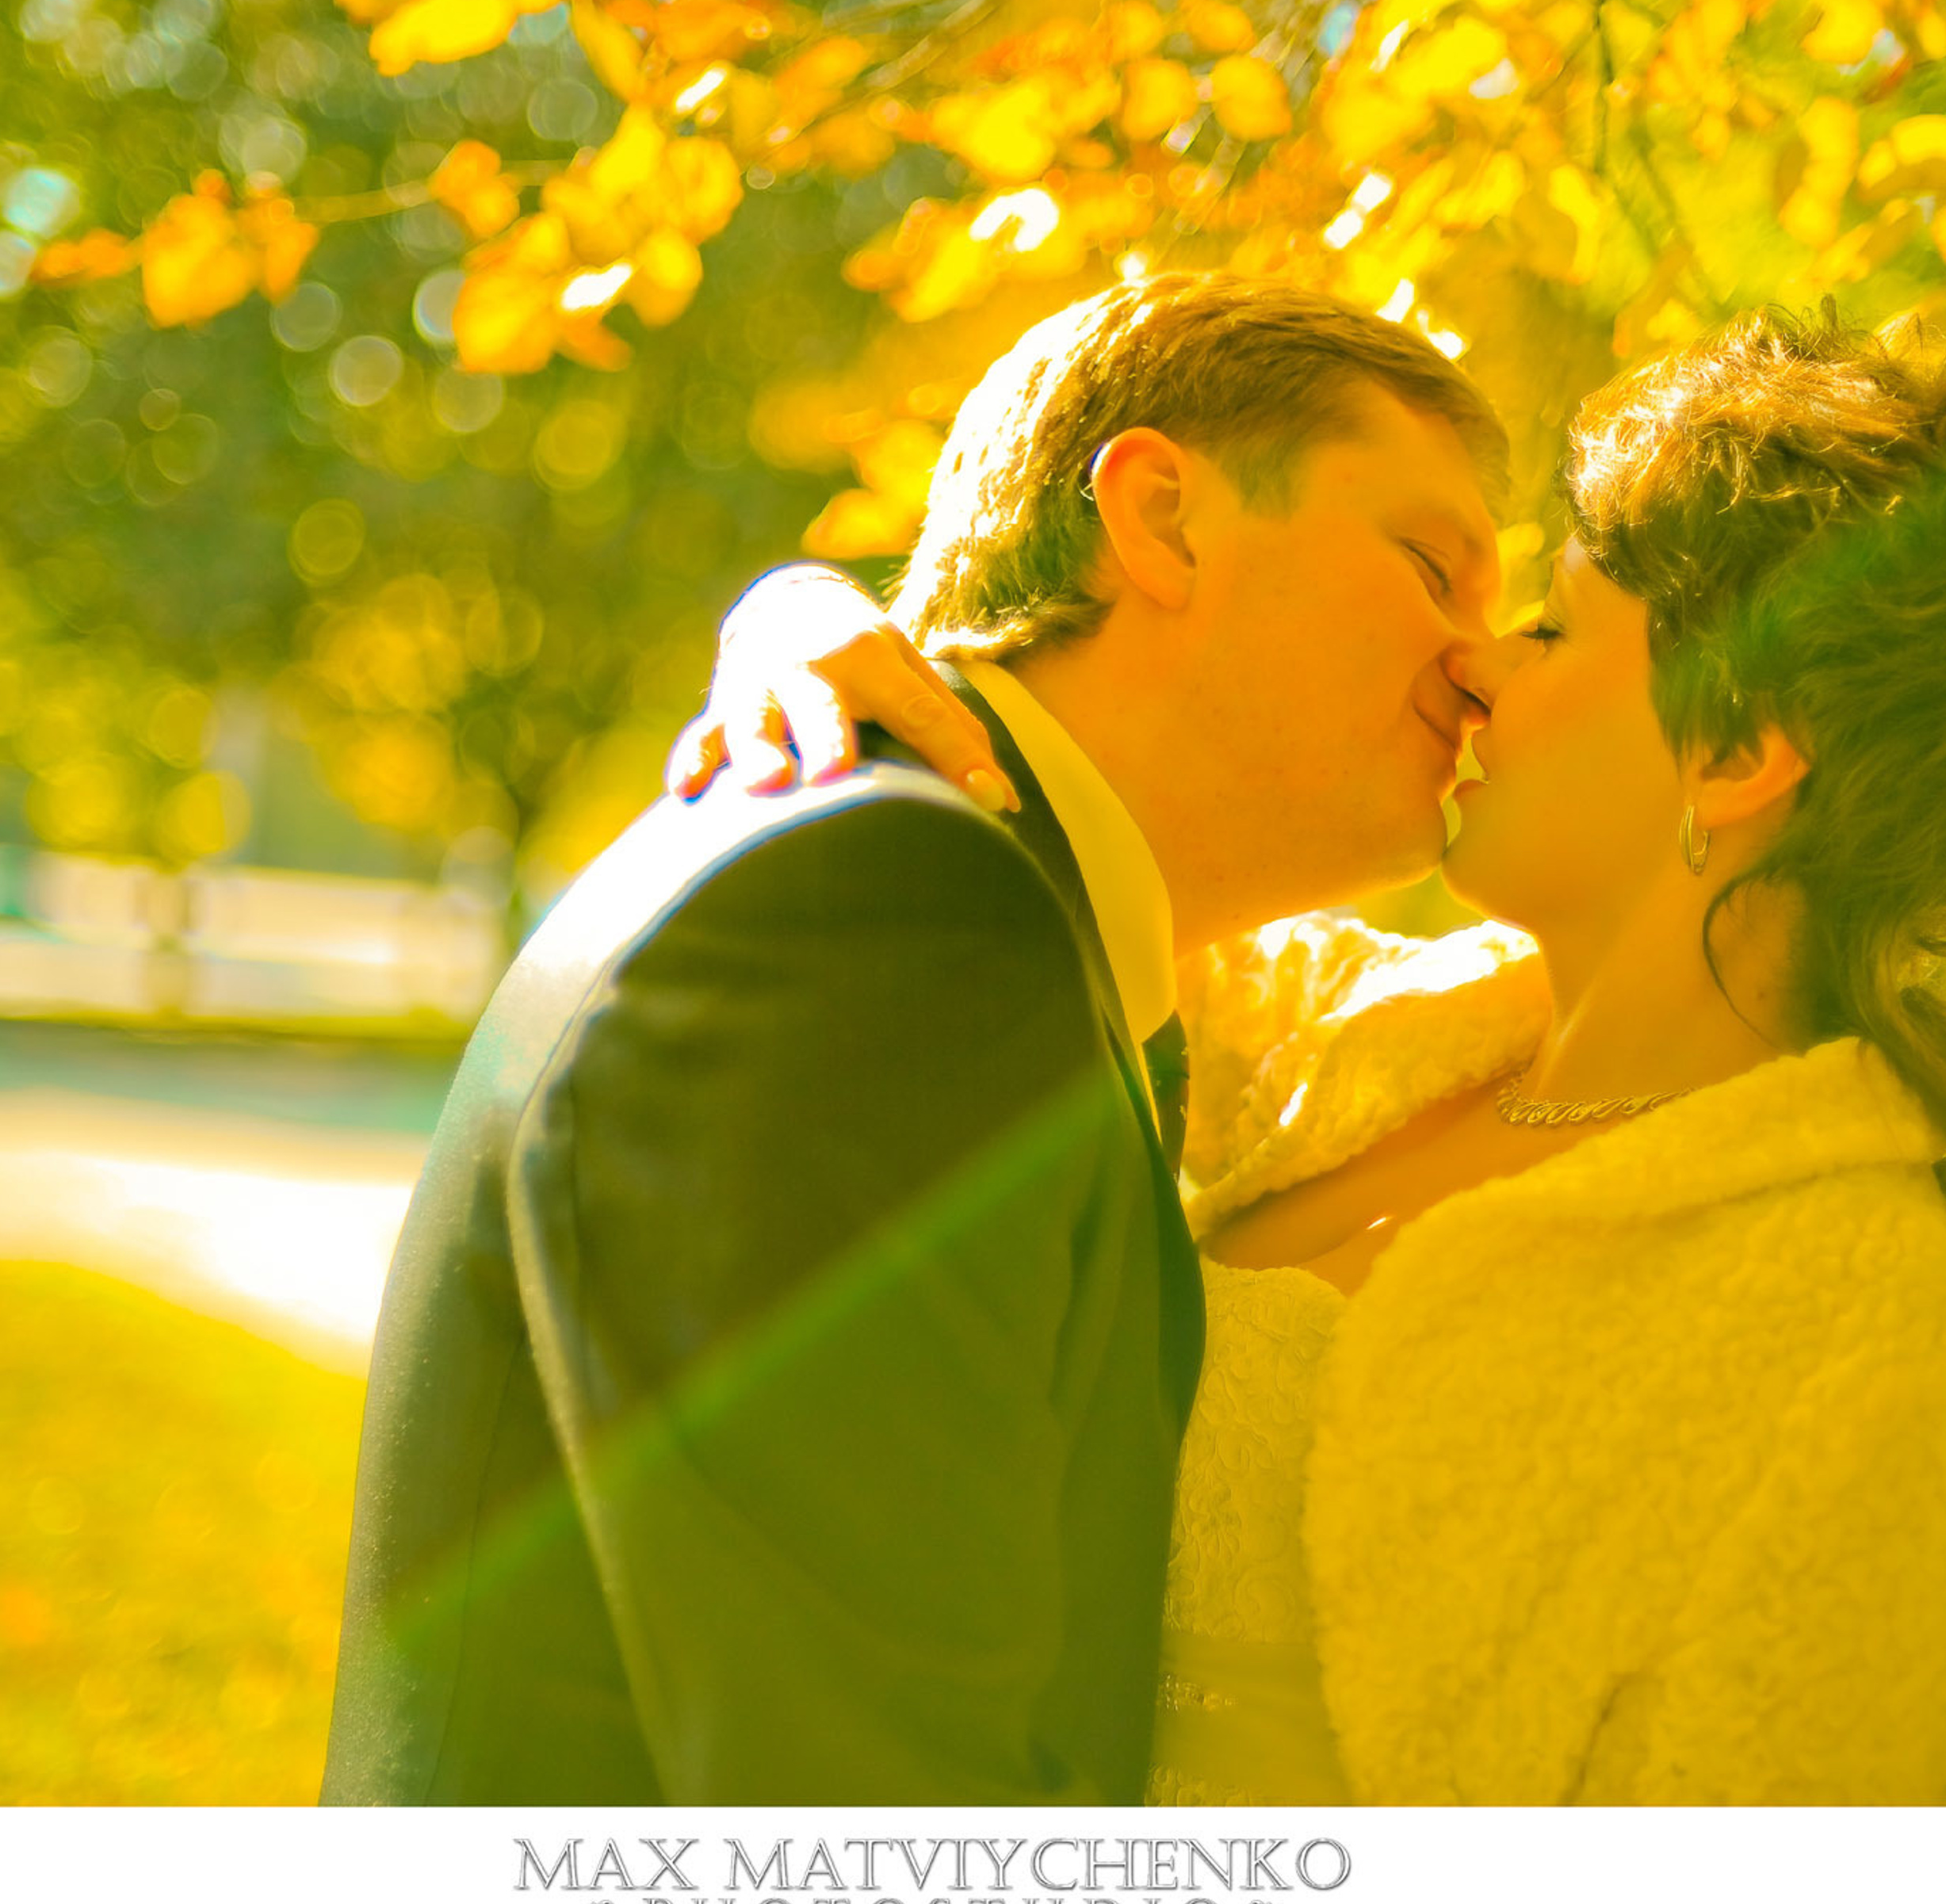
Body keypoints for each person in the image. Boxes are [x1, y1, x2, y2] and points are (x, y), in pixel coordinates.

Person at [677, 304, 1946, 1803]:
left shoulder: (1871, 1333)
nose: (1476, 666)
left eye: (1551, 626)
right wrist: (798, 620)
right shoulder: (1343, 1029)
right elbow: (1050, 848)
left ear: (1734, 750)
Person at [319, 273, 1511, 1803]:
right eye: (1435, 569)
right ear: (1167, 521)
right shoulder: (887, 917)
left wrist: (789, 600)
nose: (1482, 666)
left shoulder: (1010, 928)